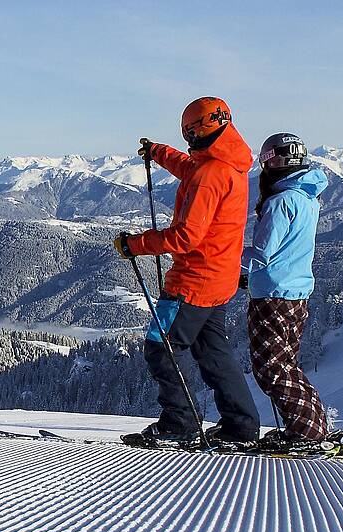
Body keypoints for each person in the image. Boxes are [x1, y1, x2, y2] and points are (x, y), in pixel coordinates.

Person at [114, 96, 260, 446]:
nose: (188, 141)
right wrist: (158, 153)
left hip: (194, 280)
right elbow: (190, 168)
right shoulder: (227, 162)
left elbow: (185, 236)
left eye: (188, 134)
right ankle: (241, 425)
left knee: (160, 346)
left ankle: (179, 423)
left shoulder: (211, 173)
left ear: (197, 130)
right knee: (213, 352)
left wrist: (135, 245)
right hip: (219, 279)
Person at [244, 133, 333, 446]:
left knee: (270, 366)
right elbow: (287, 249)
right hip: (295, 291)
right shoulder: (307, 197)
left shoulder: (281, 202)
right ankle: (313, 424)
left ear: (271, 163)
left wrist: (226, 265)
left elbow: (261, 253)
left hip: (273, 293)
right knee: (284, 363)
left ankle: (305, 431)